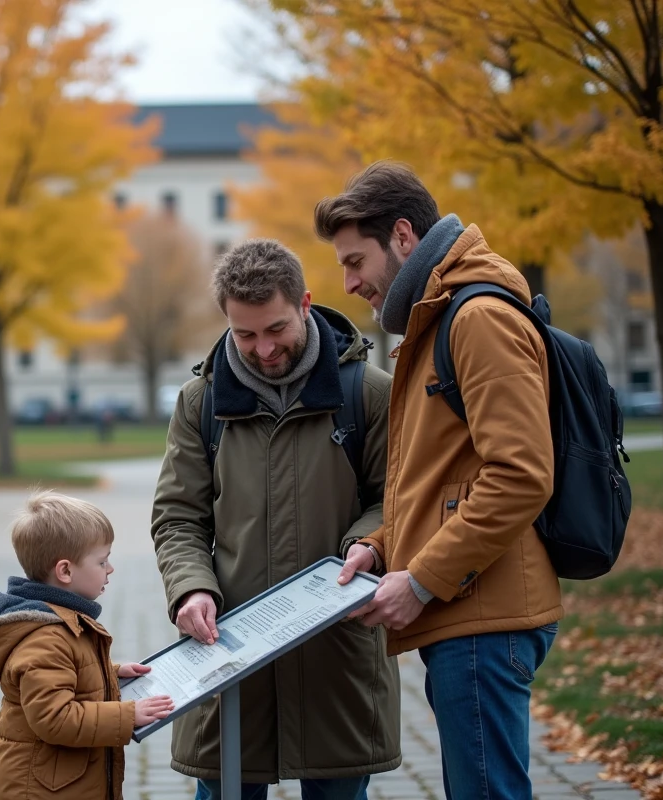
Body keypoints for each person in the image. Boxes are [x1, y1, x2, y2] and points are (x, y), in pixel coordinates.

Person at [316, 161, 561, 800]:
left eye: (354, 261)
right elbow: (445, 481)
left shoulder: (476, 316)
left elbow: (520, 476)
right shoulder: (438, 317)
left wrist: (422, 581)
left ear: (402, 237)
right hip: (471, 606)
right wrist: (383, 546)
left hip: (483, 614)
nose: (348, 284)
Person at [151, 239, 401, 799]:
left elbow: (398, 499)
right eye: (244, 334)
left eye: (276, 329)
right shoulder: (201, 402)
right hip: (228, 660)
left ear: (306, 303)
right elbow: (178, 518)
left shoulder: (369, 395)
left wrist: (370, 546)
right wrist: (191, 589)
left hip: (338, 657)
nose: (263, 349)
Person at [0, 490, 174, 800]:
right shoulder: (45, 637)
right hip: (40, 790)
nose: (110, 569)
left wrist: (110, 673)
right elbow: (55, 718)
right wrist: (128, 716)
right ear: (65, 571)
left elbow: (65, 677)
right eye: (102, 561)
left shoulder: (55, 620)